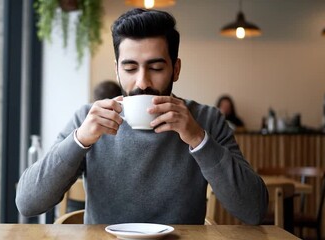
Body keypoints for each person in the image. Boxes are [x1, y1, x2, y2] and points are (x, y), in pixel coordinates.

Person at [16, 8, 268, 225]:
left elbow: (254, 210)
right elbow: (27, 203)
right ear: (116, 71)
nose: (142, 82)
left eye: (156, 68)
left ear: (175, 69)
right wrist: (80, 139)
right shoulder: (89, 119)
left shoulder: (206, 120)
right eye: (130, 68)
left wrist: (198, 139)